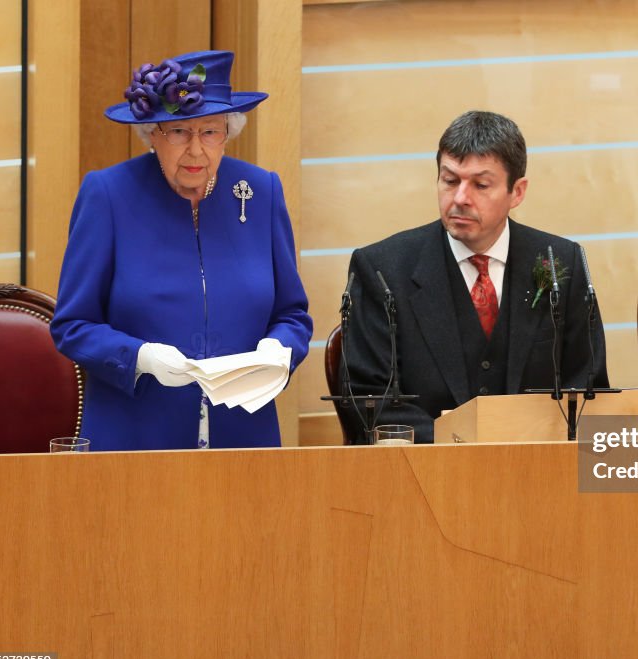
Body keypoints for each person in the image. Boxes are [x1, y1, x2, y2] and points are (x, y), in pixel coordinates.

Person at [51, 50, 312, 451]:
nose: (195, 150)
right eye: (178, 132)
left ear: (228, 132)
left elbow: (292, 314)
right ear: (152, 134)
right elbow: (73, 326)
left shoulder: (260, 192)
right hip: (135, 440)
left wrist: (279, 350)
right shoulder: (107, 195)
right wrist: (141, 357)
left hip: (244, 440)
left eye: (210, 132)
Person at [340, 111, 609, 443]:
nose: (460, 198)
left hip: (537, 468)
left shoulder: (560, 263)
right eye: (450, 180)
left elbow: (587, 390)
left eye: (481, 185)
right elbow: (368, 401)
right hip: (425, 472)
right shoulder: (382, 270)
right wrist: (461, 443)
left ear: (518, 192)